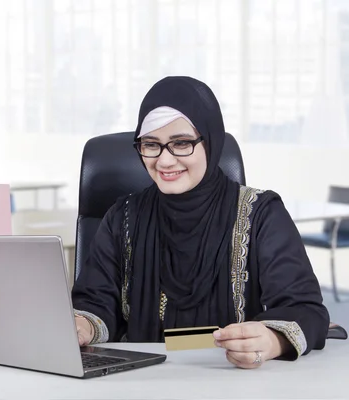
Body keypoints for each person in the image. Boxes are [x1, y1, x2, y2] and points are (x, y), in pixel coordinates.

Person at [71, 76, 330, 369]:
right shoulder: (122, 217)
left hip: (233, 379)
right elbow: (95, 302)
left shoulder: (261, 214)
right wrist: (83, 326)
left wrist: (271, 340)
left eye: (181, 143)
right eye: (151, 145)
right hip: (138, 380)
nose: (165, 161)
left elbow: (305, 308)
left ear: (211, 140)